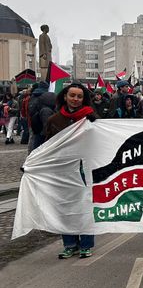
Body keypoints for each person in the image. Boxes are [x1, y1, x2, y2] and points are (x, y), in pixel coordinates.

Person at [44, 83, 98, 259]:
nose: (75, 99)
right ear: (65, 97)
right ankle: (69, 244)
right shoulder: (54, 120)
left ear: (84, 99)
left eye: (79, 96)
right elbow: (47, 147)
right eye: (72, 95)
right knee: (66, 207)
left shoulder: (91, 118)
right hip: (63, 169)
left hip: (84, 168)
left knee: (85, 206)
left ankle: (86, 244)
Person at [27, 82, 56, 152]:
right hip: (42, 123)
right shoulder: (45, 96)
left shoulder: (32, 96)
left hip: (35, 121)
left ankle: (31, 156)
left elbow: (30, 110)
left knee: (33, 140)